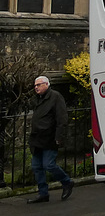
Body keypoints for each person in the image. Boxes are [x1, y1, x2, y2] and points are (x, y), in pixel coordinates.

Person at [27, 76, 74, 204]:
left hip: (50, 138)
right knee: (37, 166)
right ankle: (43, 193)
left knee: (49, 165)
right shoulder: (38, 99)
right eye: (35, 85)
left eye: (39, 85)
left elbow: (62, 119)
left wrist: (59, 137)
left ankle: (67, 182)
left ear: (47, 84)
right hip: (37, 139)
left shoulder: (55, 97)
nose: (36, 87)